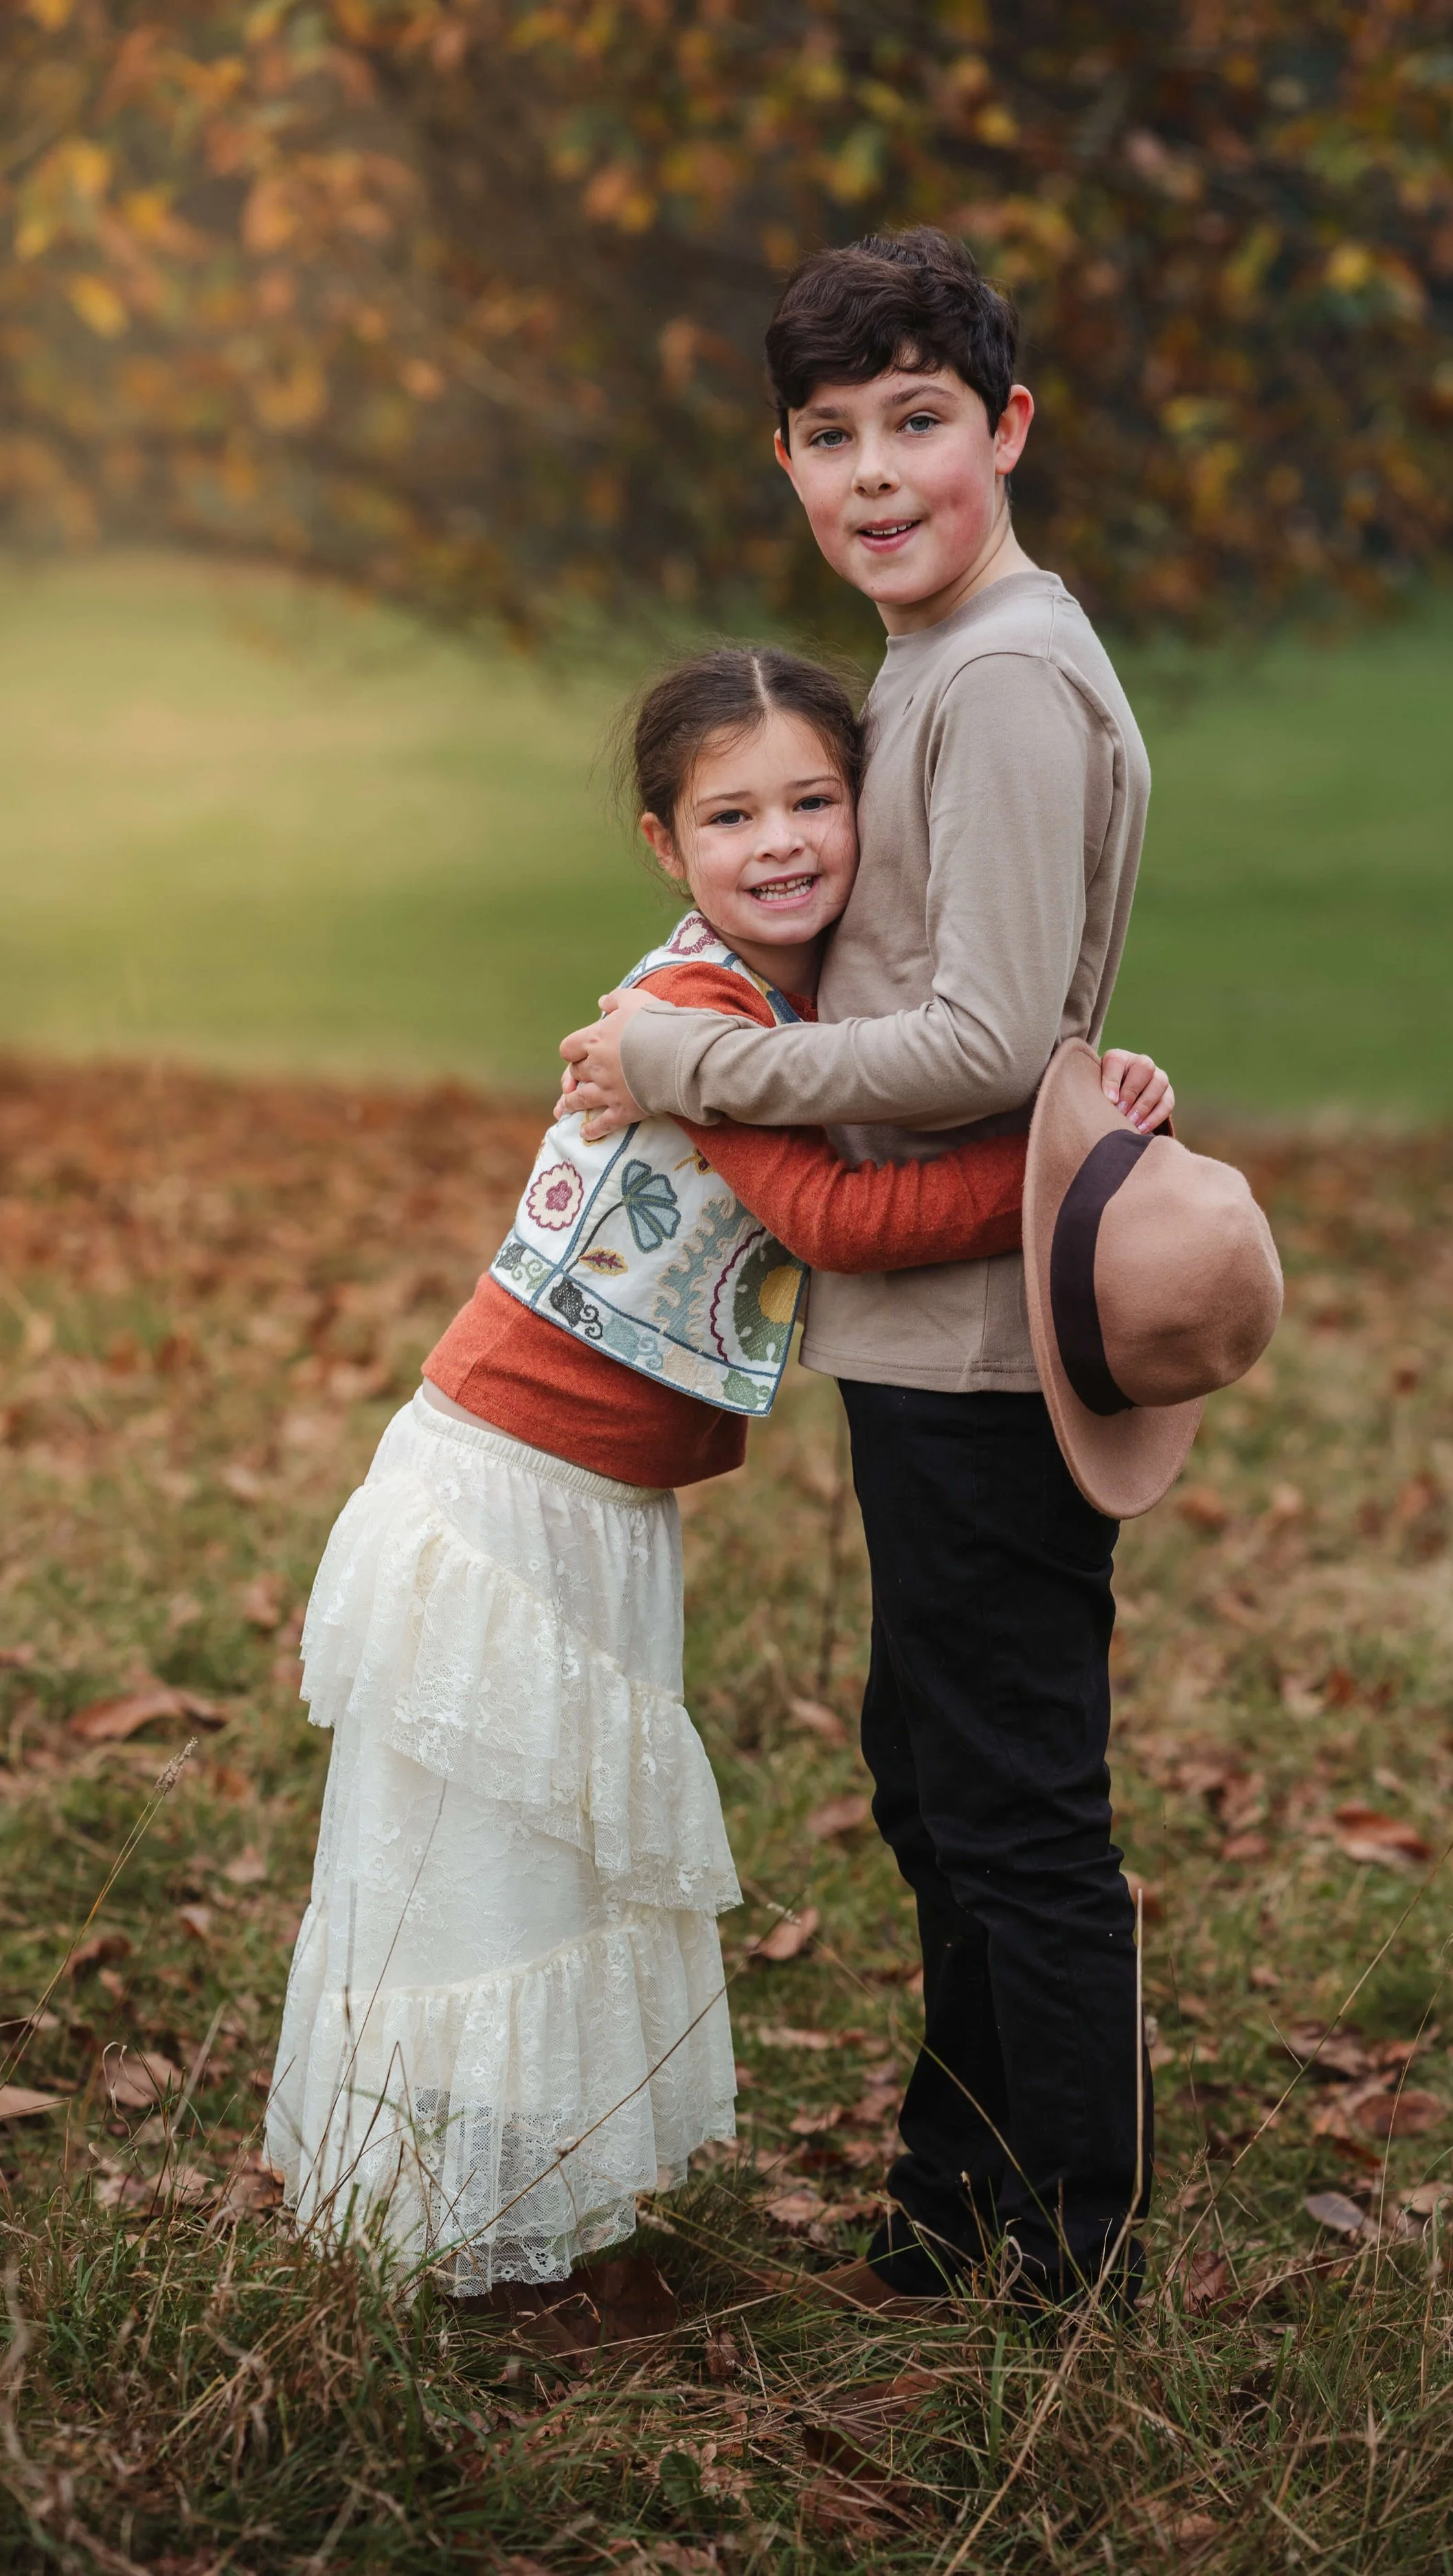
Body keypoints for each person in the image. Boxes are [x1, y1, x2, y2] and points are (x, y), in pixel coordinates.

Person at [267, 642, 1169, 2358]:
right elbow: (848, 1227)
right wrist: (1074, 1170)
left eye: (813, 801)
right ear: (663, 846)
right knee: (483, 1880)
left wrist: (1080, 1111)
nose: (779, 842)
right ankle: (443, 2250)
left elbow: (902, 1102)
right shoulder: (687, 1021)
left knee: (548, 1875)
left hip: (594, 1502)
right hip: (507, 1485)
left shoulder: (799, 1021)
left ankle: (526, 2224)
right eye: (729, 814)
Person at [560, 229, 1162, 2309]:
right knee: (935, 1769)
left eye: (919, 422)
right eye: (831, 437)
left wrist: (682, 1058)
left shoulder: (990, 674)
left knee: (1009, 1803)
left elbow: (986, 1042)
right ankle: (950, 2193)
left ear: (1004, 428)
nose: (875, 474)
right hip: (926, 1325)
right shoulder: (946, 657)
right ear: (788, 463)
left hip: (981, 1340)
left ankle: (1066, 2256)